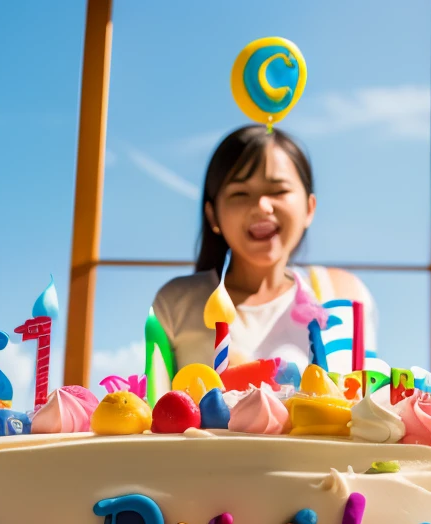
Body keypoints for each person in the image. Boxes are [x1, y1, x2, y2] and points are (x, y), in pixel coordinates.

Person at [152, 125, 377, 371]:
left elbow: (370, 397)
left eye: (278, 190)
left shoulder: (342, 293)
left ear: (309, 208)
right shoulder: (177, 303)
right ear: (213, 215)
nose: (262, 206)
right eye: (240, 193)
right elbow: (157, 401)